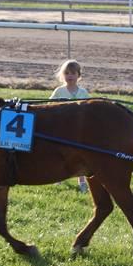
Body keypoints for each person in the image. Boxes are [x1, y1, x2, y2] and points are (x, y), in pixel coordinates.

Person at [50, 59, 90, 192]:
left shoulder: (83, 93)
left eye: (73, 73)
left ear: (79, 75)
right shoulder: (59, 91)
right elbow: (49, 107)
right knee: (61, 154)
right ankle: (59, 177)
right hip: (62, 128)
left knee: (80, 154)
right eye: (67, 73)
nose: (70, 76)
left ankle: (82, 181)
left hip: (78, 130)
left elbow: (88, 110)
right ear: (63, 76)